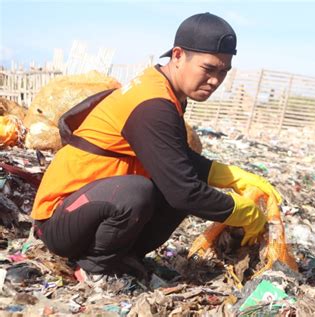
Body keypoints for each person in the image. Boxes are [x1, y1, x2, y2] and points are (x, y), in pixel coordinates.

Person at [31, 12, 281, 284]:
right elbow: (183, 191)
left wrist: (234, 177)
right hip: (59, 220)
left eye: (223, 71)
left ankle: (123, 255)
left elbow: (174, 158)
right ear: (178, 55)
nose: (215, 80)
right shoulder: (152, 103)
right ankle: (95, 267)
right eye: (208, 69)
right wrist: (244, 212)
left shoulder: (165, 92)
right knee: (142, 191)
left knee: (175, 181)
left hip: (91, 210)